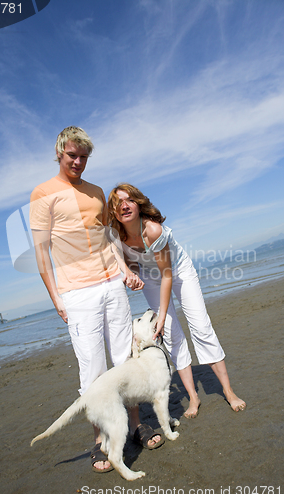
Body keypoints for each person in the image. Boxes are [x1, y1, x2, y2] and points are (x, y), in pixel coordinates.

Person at [29, 127, 162, 473]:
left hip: (111, 286)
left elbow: (106, 240)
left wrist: (123, 272)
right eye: (72, 155)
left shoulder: (97, 192)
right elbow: (41, 253)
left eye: (84, 157)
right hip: (77, 292)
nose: (78, 162)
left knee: (124, 360)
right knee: (92, 369)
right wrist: (56, 297)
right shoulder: (43, 194)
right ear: (59, 152)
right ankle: (100, 442)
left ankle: (135, 427)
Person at [108, 183, 246, 416]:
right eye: (118, 203)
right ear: (114, 211)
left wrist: (161, 315)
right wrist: (129, 273)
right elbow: (116, 252)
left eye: (129, 200)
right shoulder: (116, 234)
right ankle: (193, 398)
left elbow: (168, 274)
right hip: (150, 277)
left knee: (201, 327)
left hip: (177, 271)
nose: (124, 206)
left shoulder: (152, 230)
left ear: (138, 204)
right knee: (171, 335)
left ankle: (229, 391)